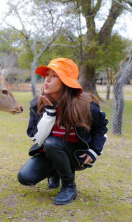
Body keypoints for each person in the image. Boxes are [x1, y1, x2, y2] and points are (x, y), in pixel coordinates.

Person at [18, 58, 108, 205]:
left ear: (66, 82)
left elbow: (101, 127)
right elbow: (37, 140)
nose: (47, 79)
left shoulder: (86, 105)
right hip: (49, 151)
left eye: (54, 76)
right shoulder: (37, 104)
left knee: (52, 143)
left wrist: (94, 151)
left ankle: (69, 187)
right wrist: (50, 113)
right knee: (25, 177)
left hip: (76, 155)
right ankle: (55, 171)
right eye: (47, 74)